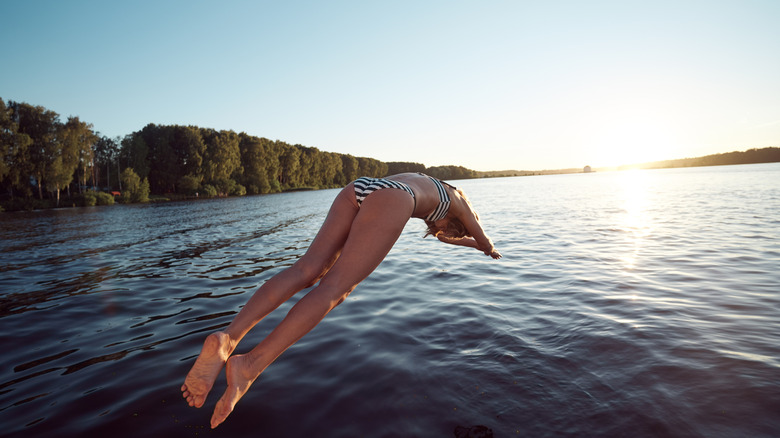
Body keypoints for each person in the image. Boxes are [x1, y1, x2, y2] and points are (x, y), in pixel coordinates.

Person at [181, 172, 501, 428]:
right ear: (455, 217)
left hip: (363, 186)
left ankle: (228, 338)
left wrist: (470, 246)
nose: (437, 227)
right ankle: (249, 365)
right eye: (443, 226)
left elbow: (445, 236)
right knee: (335, 290)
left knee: (307, 269)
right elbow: (480, 232)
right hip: (393, 199)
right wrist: (487, 248)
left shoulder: (429, 183)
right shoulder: (458, 201)